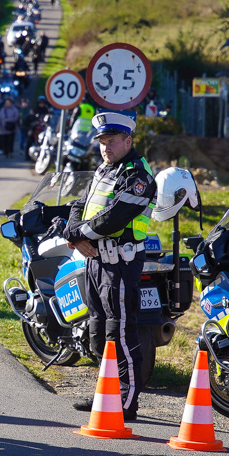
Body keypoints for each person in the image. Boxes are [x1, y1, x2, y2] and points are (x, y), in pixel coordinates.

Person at [62, 112, 156, 421]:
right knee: (99, 330)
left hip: (121, 263)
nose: (106, 148)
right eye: (102, 142)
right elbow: (80, 205)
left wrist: (76, 235)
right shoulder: (104, 169)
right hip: (96, 260)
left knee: (121, 330)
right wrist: (73, 233)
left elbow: (114, 217)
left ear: (128, 141)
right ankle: (107, 393)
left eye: (112, 142)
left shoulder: (137, 175)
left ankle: (127, 403)